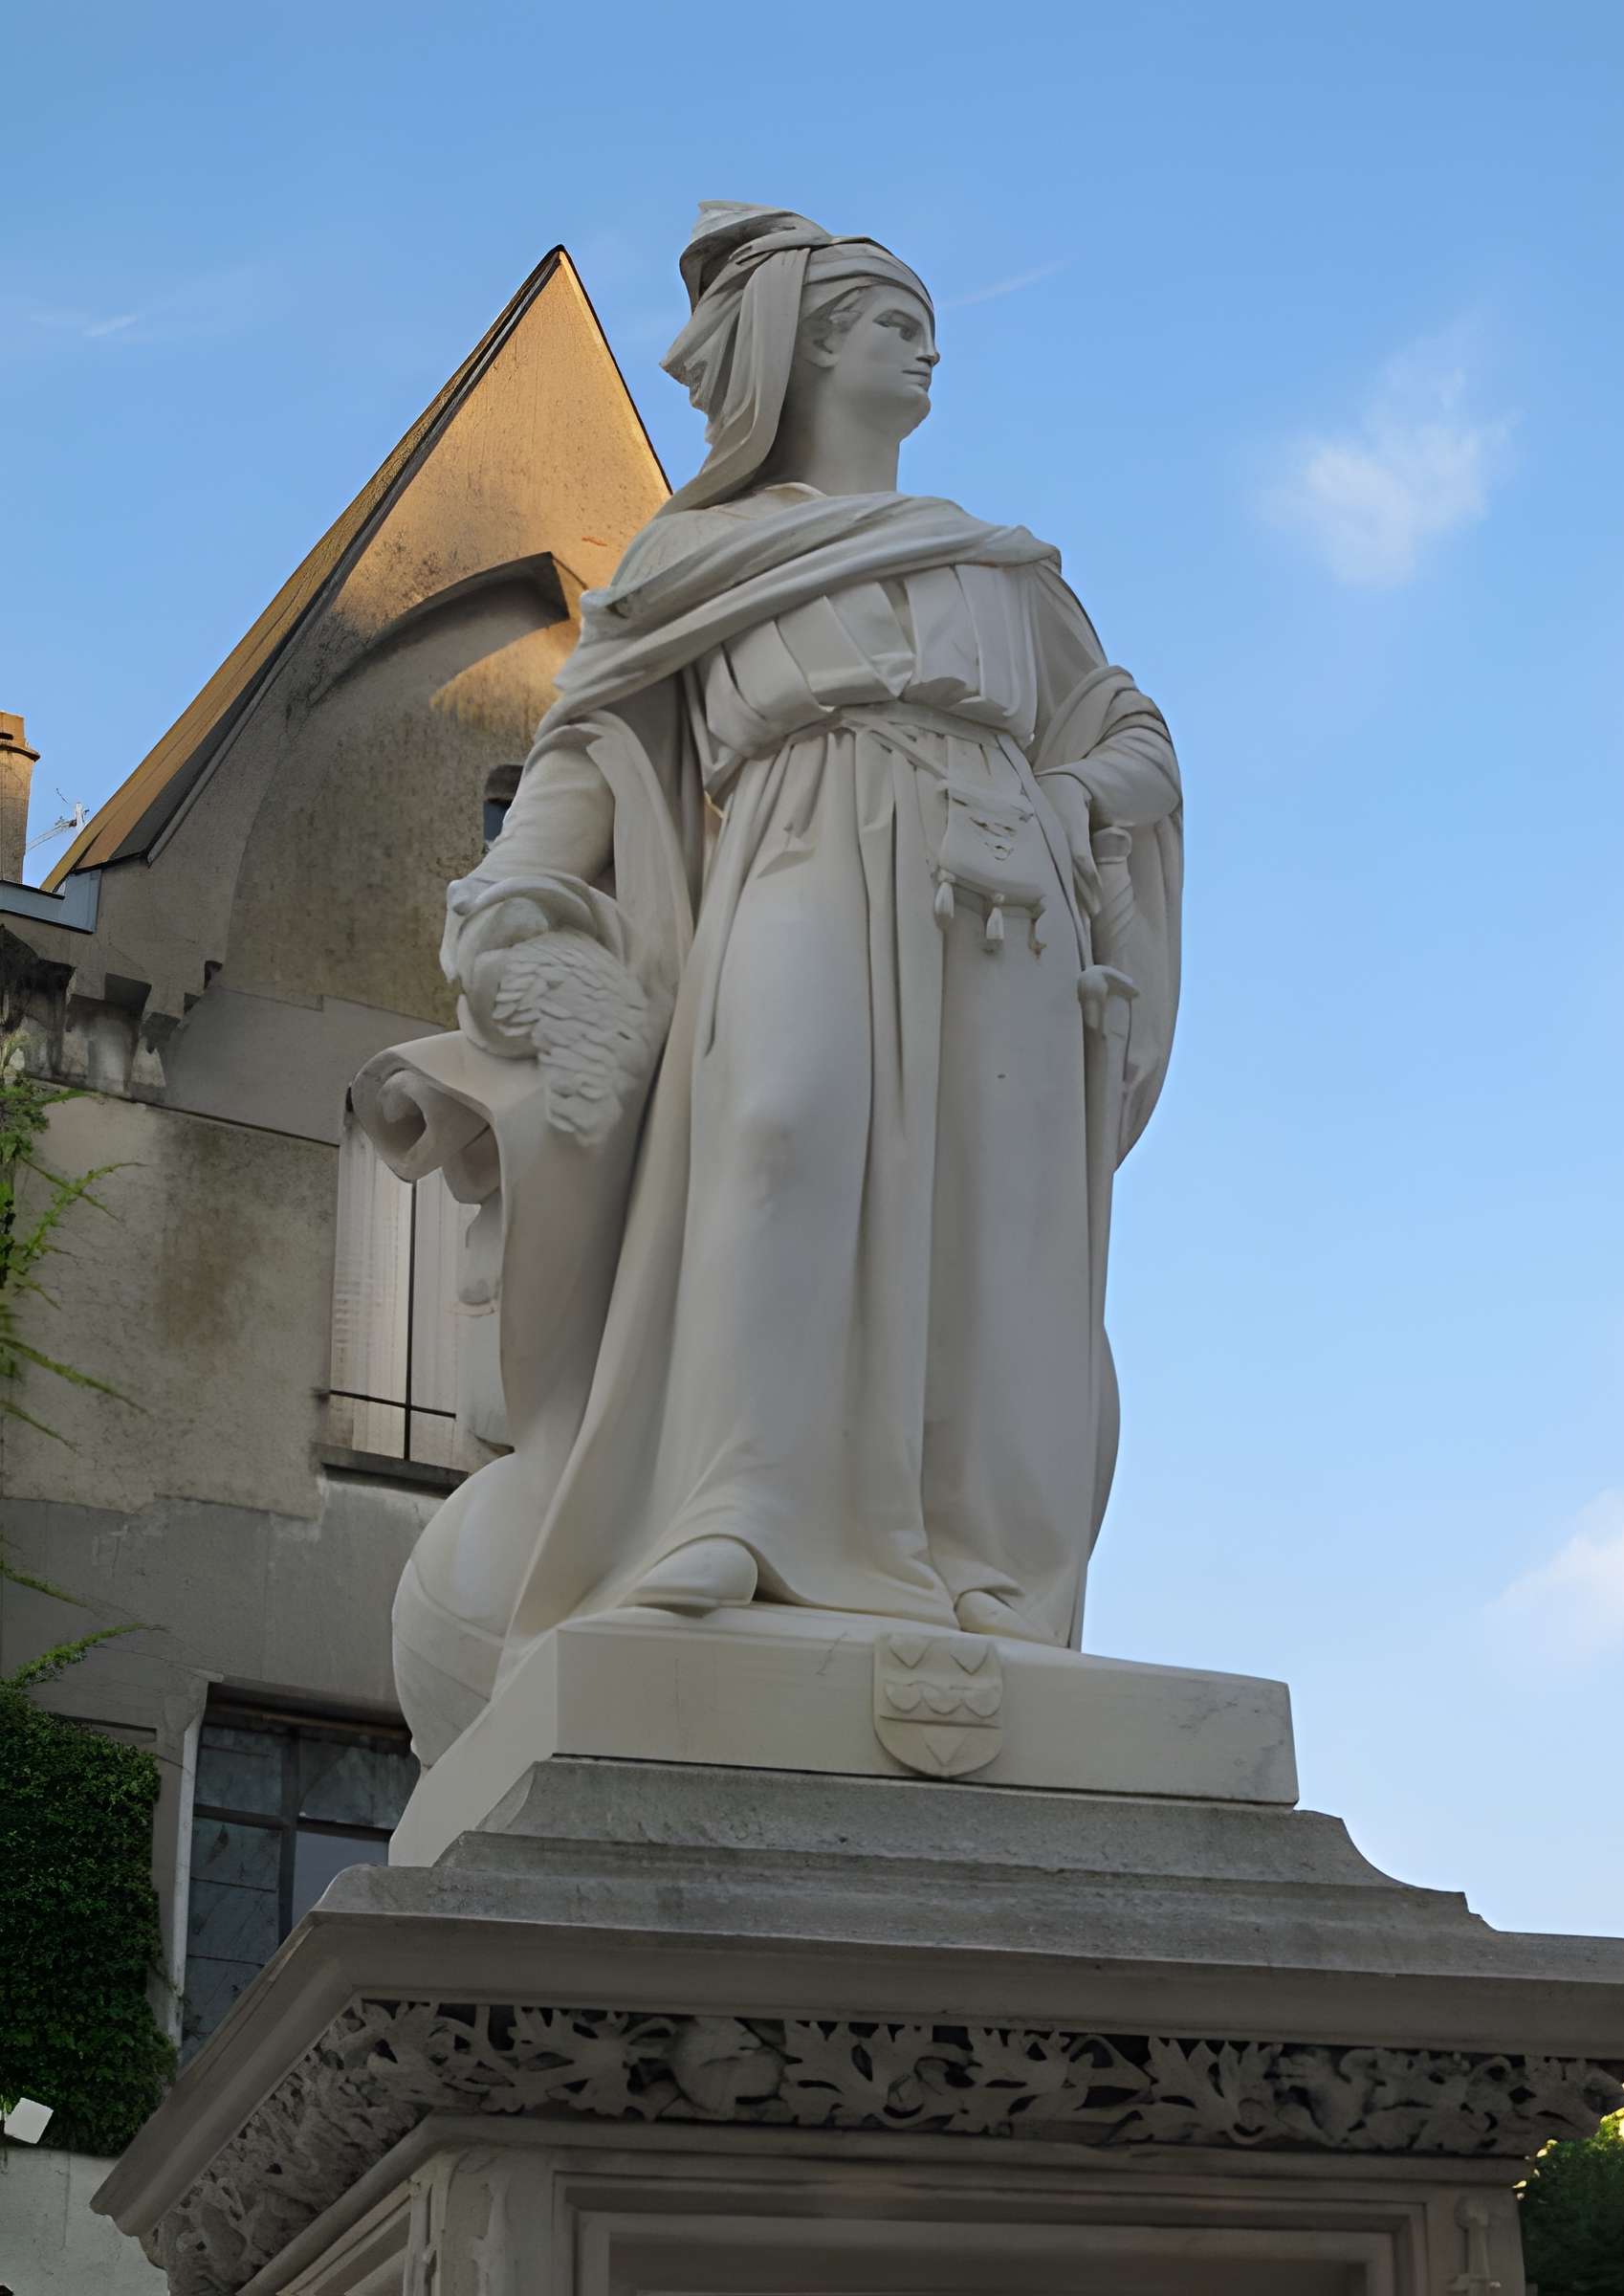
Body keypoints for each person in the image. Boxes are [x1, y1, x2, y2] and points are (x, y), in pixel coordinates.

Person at [357, 204, 1183, 1764]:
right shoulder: (699, 556)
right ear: (802, 349)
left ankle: (988, 1570)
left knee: (1001, 1213)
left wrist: (1072, 809)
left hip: (995, 894)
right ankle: (737, 1510)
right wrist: (519, 905)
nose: (927, 342)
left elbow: (1126, 734)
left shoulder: (999, 573)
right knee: (778, 1128)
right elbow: (586, 748)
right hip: (799, 852)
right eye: (891, 317)